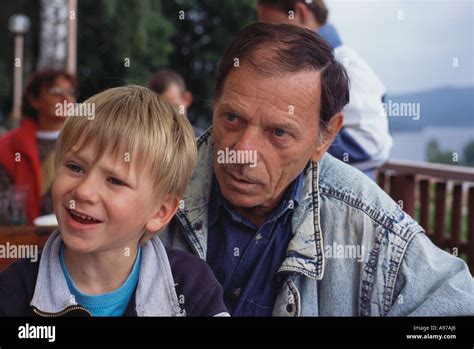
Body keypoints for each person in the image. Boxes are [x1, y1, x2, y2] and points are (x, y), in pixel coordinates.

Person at [159, 23, 474, 316]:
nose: (243, 153)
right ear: (215, 104)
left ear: (325, 137)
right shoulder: (155, 180)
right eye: (232, 119)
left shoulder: (365, 223)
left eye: (279, 133)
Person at [0, 86, 228, 317]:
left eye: (114, 180)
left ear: (159, 212)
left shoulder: (192, 288)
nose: (84, 192)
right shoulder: (15, 289)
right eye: (75, 167)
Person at [257, 0, 392, 178]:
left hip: (343, 195)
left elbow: (371, 145)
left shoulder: (348, 68)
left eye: (275, 26)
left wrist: (294, 146)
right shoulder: (314, 67)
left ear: (301, 12)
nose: (272, 37)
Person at [0, 69, 76, 223]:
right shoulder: (8, 146)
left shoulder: (86, 142)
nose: (66, 99)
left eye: (70, 92)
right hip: (24, 238)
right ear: (34, 100)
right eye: (56, 93)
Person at [148, 69, 203, 137]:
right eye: (158, 110)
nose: (167, 114)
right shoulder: (147, 139)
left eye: (173, 107)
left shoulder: (201, 141)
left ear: (187, 99)